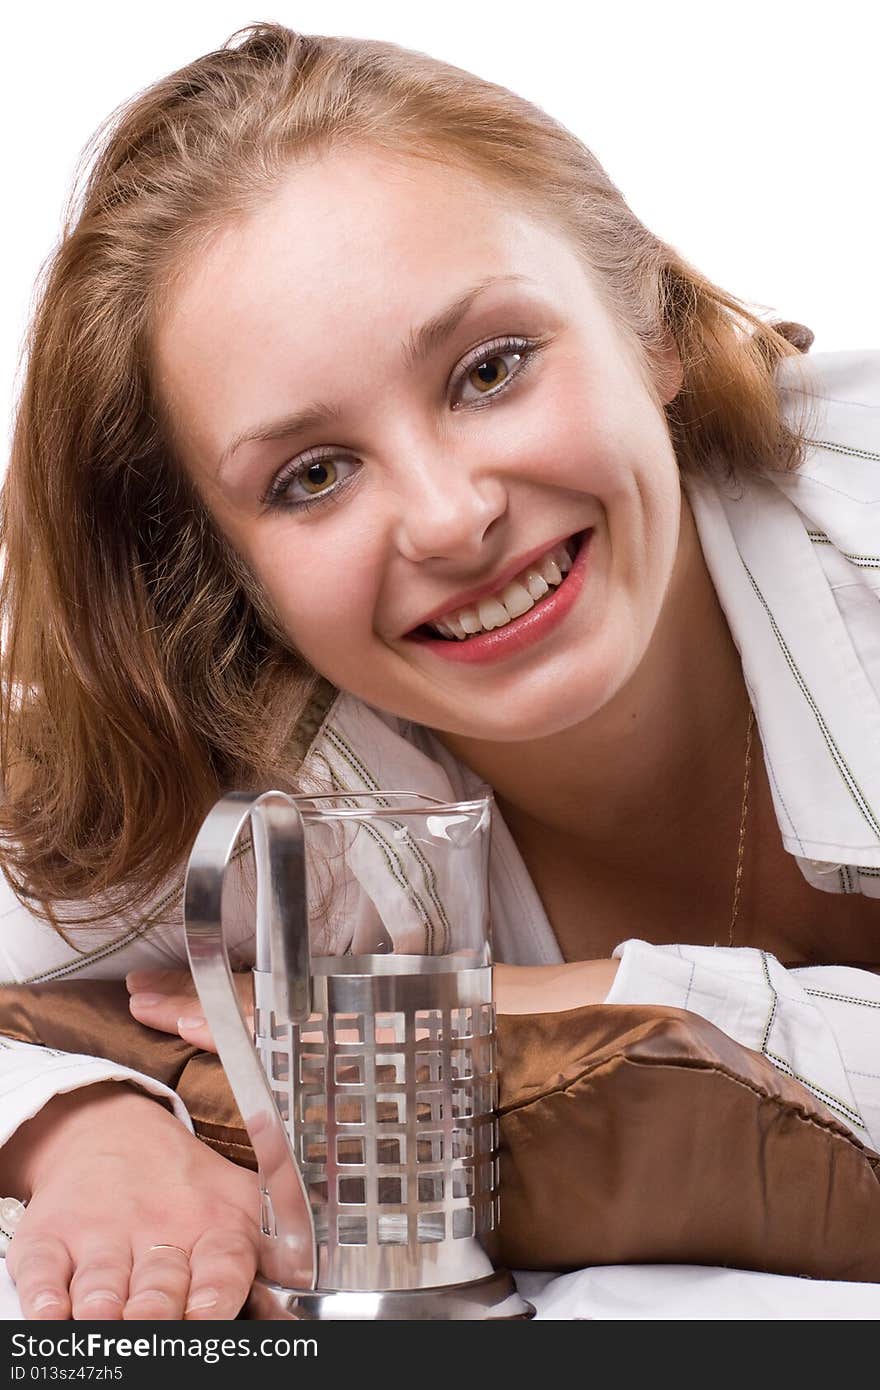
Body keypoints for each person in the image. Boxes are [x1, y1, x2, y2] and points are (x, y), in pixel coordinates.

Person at [0, 23, 878, 1321]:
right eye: (311, 475)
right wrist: (89, 1130)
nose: (450, 516)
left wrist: (594, 1003)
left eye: (491, 369)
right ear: (232, 572)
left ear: (650, 322)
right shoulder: (272, 762)